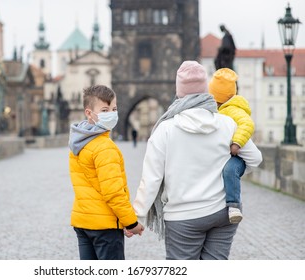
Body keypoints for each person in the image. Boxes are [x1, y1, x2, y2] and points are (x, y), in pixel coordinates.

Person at [131, 61, 262, 260]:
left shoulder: (165, 129)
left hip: (183, 218)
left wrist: (137, 216)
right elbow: (254, 158)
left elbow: (151, 179)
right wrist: (231, 170)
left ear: (179, 92)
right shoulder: (227, 123)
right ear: (205, 91)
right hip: (222, 212)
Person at [68, 85, 144, 260]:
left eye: (114, 109)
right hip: (105, 226)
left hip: (83, 221)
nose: (111, 113)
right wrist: (130, 222)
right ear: (89, 113)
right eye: (104, 110)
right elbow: (114, 193)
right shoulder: (104, 147)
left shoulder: (77, 142)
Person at [209, 68, 254, 224]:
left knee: (229, 170)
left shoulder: (233, 110)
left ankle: (234, 206)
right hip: (232, 154)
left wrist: (237, 142)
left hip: (238, 155)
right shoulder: (222, 110)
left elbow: (247, 124)